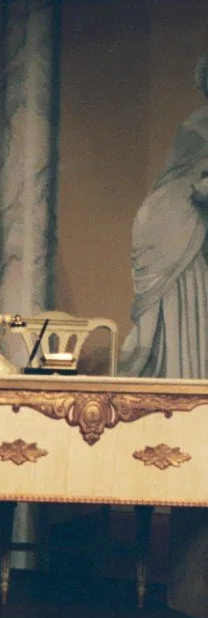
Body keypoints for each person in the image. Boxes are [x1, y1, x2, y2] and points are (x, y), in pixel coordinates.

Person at [120, 54, 208, 379]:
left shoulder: (196, 120)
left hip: (171, 219)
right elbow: (195, 186)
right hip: (176, 220)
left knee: (180, 309)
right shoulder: (201, 122)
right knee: (180, 307)